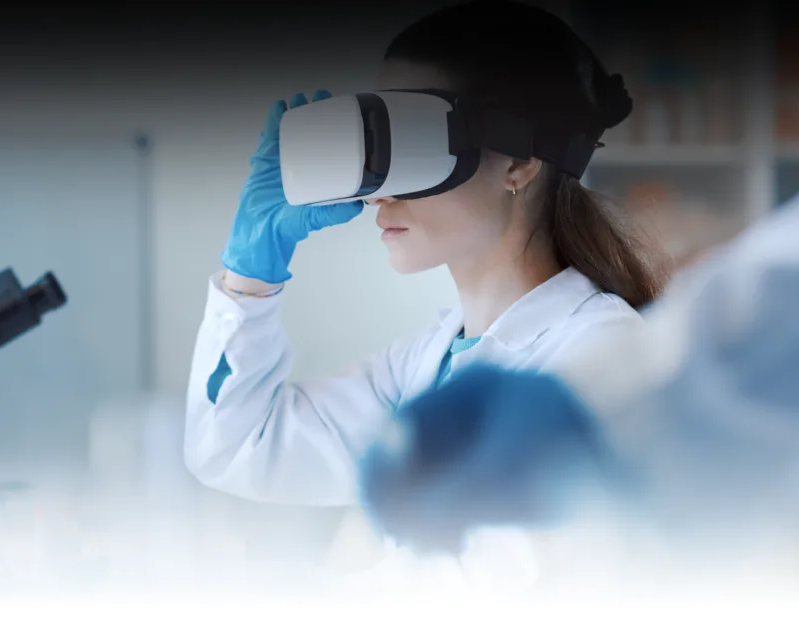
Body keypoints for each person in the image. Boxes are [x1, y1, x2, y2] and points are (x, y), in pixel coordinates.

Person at [184, 0, 666, 510]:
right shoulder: (424, 362)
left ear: (519, 163)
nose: (380, 193)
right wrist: (249, 275)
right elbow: (238, 447)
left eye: (413, 143)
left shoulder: (602, 355)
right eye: (378, 146)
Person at [357, 191, 799, 592]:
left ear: (519, 165)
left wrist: (597, 413)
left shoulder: (595, 336)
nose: (380, 198)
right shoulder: (428, 348)